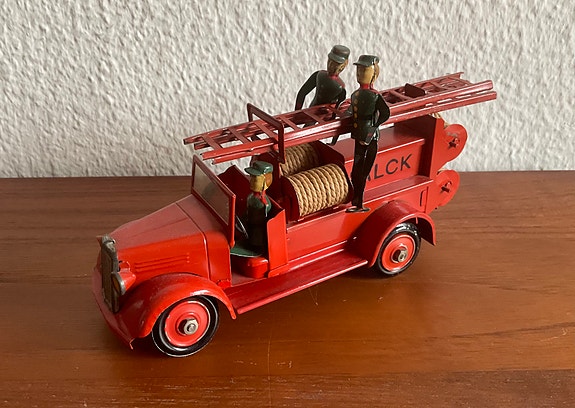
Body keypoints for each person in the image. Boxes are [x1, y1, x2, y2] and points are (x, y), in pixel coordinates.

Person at [347, 55, 390, 213]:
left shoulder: (375, 96)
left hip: (370, 138)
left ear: (374, 74)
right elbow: (352, 111)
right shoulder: (355, 95)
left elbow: (385, 113)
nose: (360, 73)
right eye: (358, 70)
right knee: (355, 172)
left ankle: (360, 204)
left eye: (364, 70)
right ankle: (355, 202)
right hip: (359, 136)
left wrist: (373, 128)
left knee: (363, 172)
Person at [294, 45, 350, 111]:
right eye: (329, 61)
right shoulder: (319, 75)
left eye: (336, 64)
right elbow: (302, 92)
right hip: (311, 111)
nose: (330, 65)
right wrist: (297, 111)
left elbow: (338, 106)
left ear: (344, 65)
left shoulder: (340, 87)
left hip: (327, 115)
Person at [244, 161, 273, 252]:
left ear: (266, 182)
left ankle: (255, 249)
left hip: (257, 232)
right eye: (251, 178)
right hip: (249, 226)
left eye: (255, 180)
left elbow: (262, 219)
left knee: (256, 238)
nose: (251, 182)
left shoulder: (264, 203)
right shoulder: (251, 197)